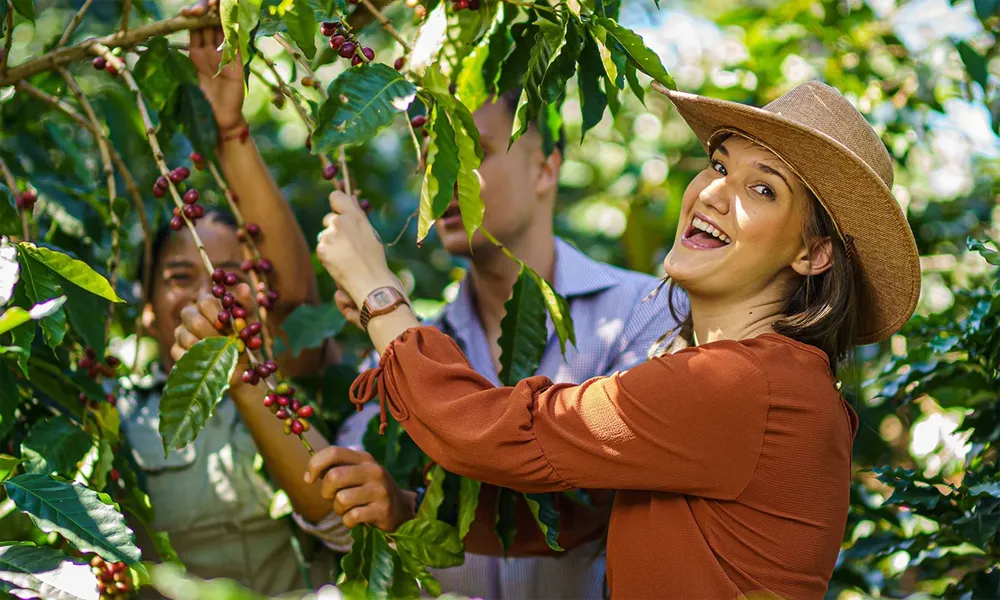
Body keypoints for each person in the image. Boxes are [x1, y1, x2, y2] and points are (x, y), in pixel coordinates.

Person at [307, 80, 921, 599]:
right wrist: (412, 512)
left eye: (762, 189)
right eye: (719, 166)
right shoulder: (741, 377)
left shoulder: (745, 386)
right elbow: (589, 514)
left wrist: (377, 292)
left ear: (813, 253)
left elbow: (497, 433)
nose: (712, 192)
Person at [319, 89, 677, 599]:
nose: (437, 178)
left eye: (470, 153)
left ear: (545, 169)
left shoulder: (643, 311)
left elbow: (598, 501)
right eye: (428, 158)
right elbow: (343, 504)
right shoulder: (416, 332)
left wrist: (381, 300)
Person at [117, 17, 350, 594]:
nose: (205, 292)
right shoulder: (114, 418)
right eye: (178, 275)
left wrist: (230, 129)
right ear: (146, 310)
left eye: (225, 276)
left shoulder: (282, 376)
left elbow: (294, 297)